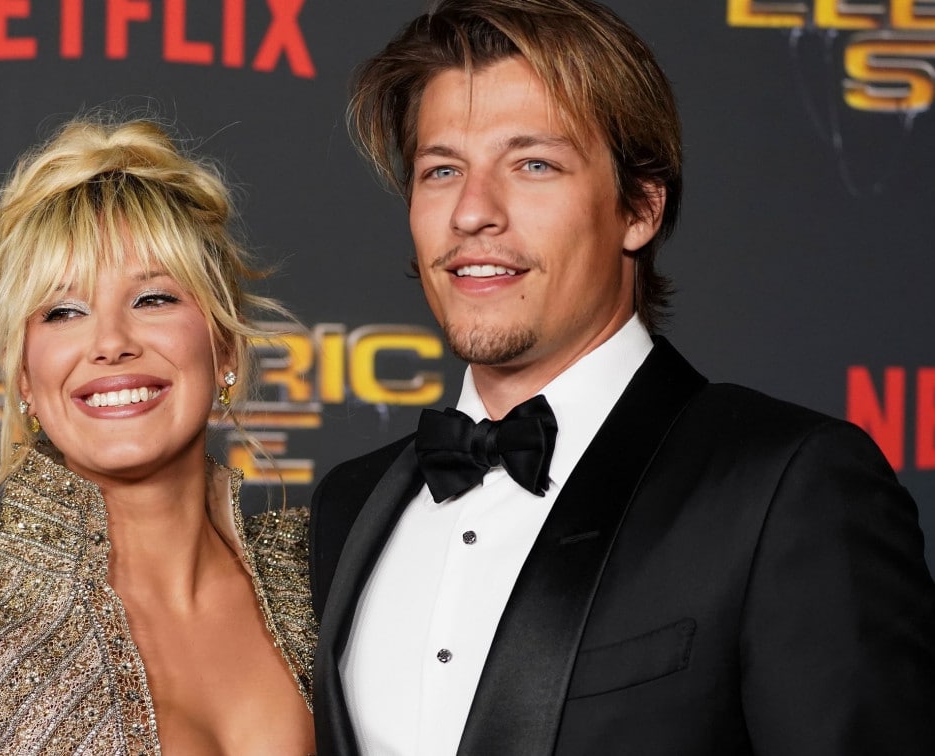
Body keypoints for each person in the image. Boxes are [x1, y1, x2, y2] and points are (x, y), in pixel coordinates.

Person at [309, 1, 935, 754]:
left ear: (639, 207)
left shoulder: (786, 486)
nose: (472, 213)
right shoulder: (349, 505)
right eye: (442, 170)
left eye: (533, 165)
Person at [0, 117, 316, 755]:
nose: (110, 342)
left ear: (224, 348)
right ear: (25, 378)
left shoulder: (328, 575)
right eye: (64, 311)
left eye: (153, 299)